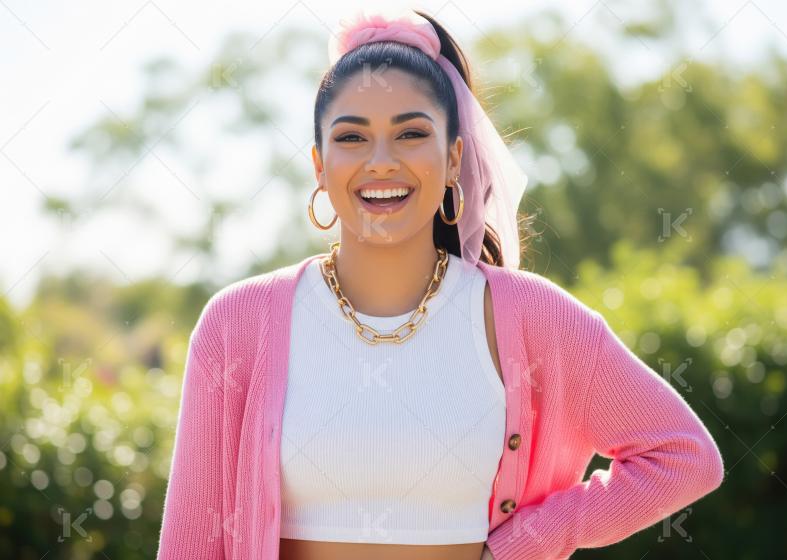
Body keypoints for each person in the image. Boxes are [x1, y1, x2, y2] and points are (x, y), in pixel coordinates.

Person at [156, 8, 725, 560]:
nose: (382, 161)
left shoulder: (532, 316)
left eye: (411, 134)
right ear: (319, 165)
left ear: (454, 158)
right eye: (352, 138)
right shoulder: (237, 323)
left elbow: (683, 455)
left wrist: (527, 543)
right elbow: (191, 543)